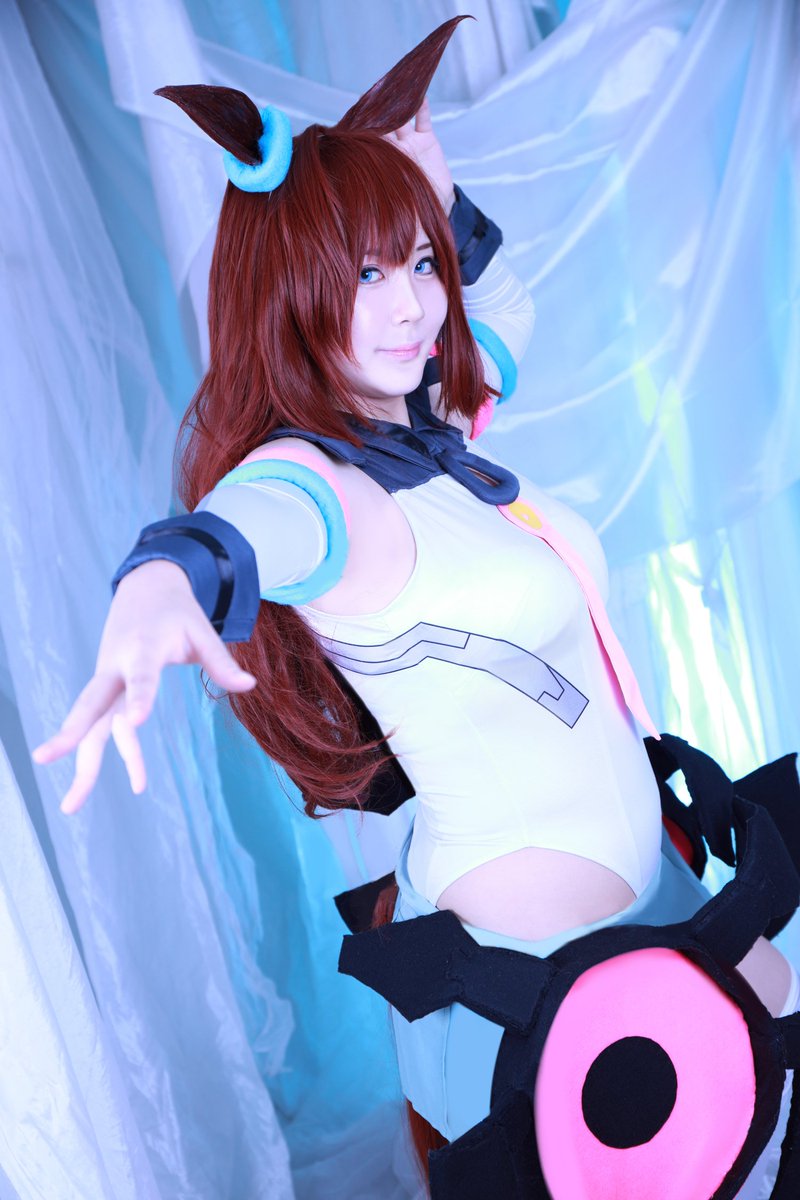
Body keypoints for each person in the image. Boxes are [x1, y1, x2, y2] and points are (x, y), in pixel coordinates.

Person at [31, 17, 800, 1199]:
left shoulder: (432, 436)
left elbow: (509, 317)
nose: (409, 307)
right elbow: (236, 529)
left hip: (643, 881)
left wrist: (436, 201)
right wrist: (153, 595)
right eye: (364, 275)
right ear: (291, 292)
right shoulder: (321, 487)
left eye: (418, 266)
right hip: (538, 977)